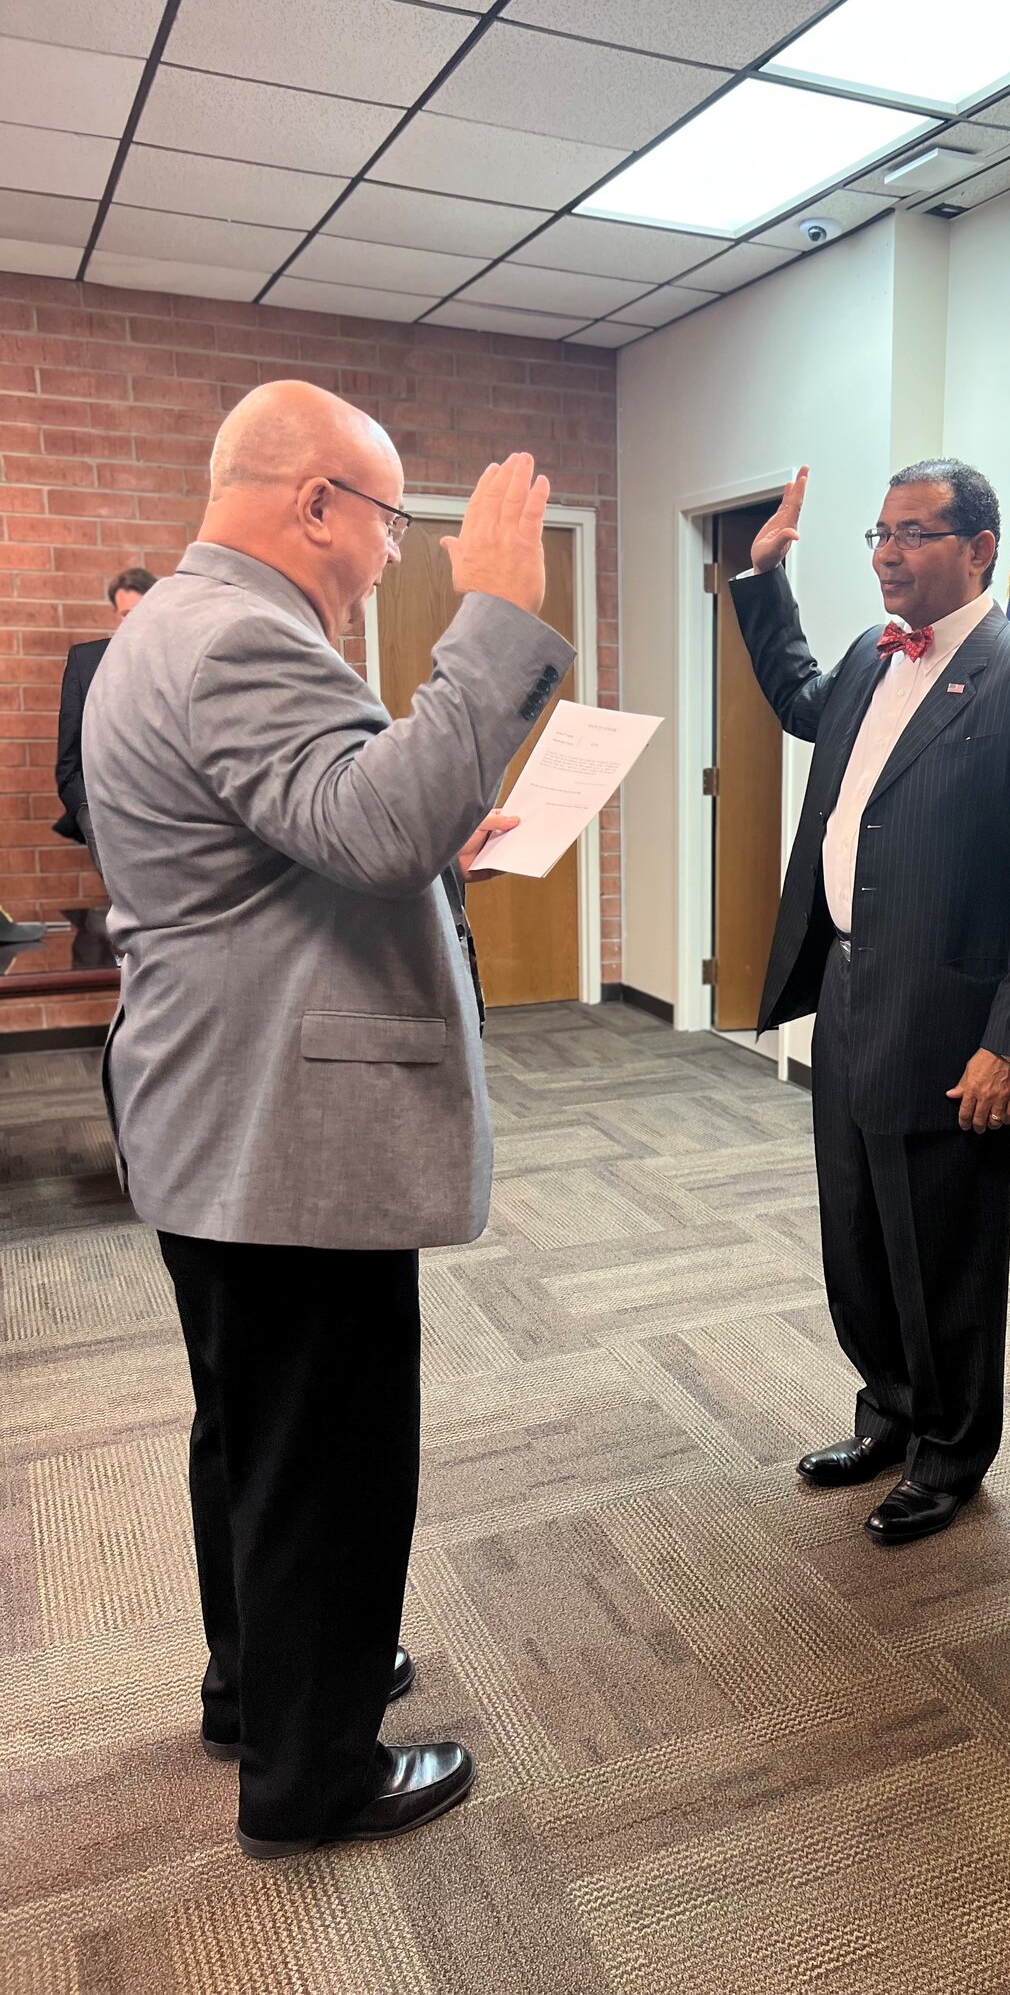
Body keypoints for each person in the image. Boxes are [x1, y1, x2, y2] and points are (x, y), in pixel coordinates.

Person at [82, 382, 572, 1857]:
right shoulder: (243, 632)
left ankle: (267, 1687)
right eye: (387, 526)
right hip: (281, 1138)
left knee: (252, 1436)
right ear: (316, 505)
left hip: (218, 1118)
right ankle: (316, 1775)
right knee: (330, 1461)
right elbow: (369, 826)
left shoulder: (166, 627)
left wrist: (436, 849)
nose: (387, 559)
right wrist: (491, 613)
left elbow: (314, 840)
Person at [733, 459, 1010, 1544]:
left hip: (950, 1016)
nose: (890, 553)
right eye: (879, 534)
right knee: (855, 1225)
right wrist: (765, 582)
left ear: (981, 547)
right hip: (849, 983)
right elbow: (802, 699)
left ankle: (951, 1450)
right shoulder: (868, 653)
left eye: (916, 534)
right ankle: (889, 1411)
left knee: (940, 1243)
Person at [54, 566, 156, 870]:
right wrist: (88, 815)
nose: (133, 621)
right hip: (105, 817)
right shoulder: (86, 663)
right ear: (116, 614)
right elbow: (69, 759)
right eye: (126, 614)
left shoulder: (182, 659)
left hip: (173, 819)